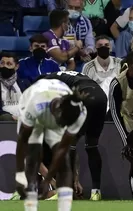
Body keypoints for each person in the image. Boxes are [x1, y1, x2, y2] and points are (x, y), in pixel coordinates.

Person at [14, 79, 87, 211]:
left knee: (64, 163)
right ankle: (31, 205)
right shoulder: (35, 104)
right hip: (35, 110)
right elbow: (22, 140)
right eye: (63, 123)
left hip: (53, 110)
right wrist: (19, 174)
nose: (64, 127)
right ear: (57, 111)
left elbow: (63, 149)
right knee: (33, 156)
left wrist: (47, 179)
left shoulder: (80, 113)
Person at [38, 70, 108, 201]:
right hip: (101, 96)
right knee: (92, 145)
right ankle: (96, 193)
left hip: (84, 96)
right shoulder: (64, 76)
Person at [82, 35, 122, 111]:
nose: (104, 47)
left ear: (110, 48)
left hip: (117, 101)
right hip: (98, 103)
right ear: (95, 49)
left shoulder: (120, 63)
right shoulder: (88, 67)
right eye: (100, 45)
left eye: (106, 45)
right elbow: (85, 89)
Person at [0, 53, 30, 121]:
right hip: (6, 117)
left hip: (23, 116)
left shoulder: (25, 83)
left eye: (9, 64)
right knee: (6, 117)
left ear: (16, 67)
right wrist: (12, 117)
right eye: (2, 63)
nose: (5, 66)